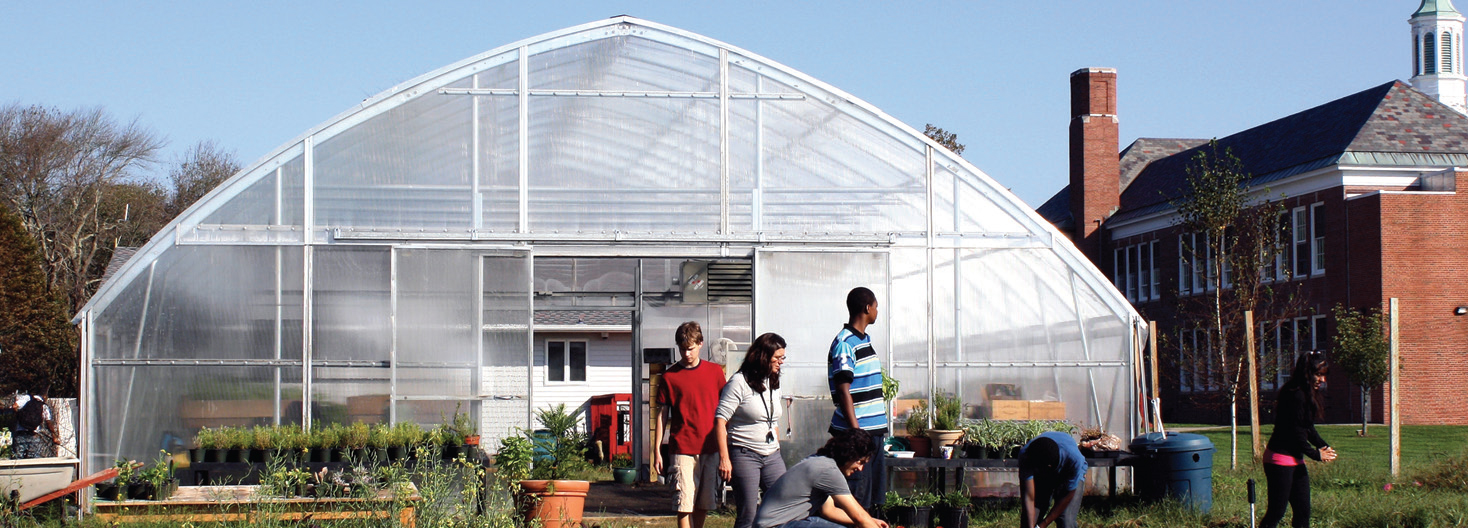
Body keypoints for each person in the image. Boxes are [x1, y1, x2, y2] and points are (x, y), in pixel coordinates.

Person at [654, 321, 728, 528]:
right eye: (682, 349)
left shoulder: (715, 373)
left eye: (690, 348)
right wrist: (657, 450)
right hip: (682, 448)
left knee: (704, 502)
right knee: (683, 503)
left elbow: (725, 412)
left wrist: (725, 451)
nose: (686, 354)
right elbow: (662, 415)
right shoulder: (669, 377)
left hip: (710, 447)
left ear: (700, 344)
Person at [717, 332, 789, 528]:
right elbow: (720, 421)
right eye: (777, 358)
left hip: (771, 454)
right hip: (744, 452)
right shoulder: (739, 382)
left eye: (783, 358)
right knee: (748, 513)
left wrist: (777, 447)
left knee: (781, 505)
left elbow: (773, 419)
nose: (781, 362)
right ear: (763, 357)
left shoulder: (773, 381)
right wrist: (725, 459)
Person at [1259, 351, 1337, 528]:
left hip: (1295, 460)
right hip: (1279, 460)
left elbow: (1307, 427)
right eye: (1319, 375)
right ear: (1307, 372)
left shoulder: (1306, 394)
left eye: (1324, 375)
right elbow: (1294, 432)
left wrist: (1324, 446)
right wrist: (1315, 454)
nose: (1322, 380)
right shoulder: (1294, 394)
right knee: (1276, 512)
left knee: (1303, 513)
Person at [827, 287, 887, 512]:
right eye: (876, 306)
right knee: (856, 498)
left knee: (872, 500)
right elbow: (843, 390)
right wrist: (857, 434)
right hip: (857, 434)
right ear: (867, 308)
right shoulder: (845, 343)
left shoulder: (864, 341)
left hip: (872, 433)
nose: (877, 311)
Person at [754, 429, 888, 528]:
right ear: (850, 454)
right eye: (861, 462)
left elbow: (828, 511)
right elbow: (859, 517)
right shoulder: (828, 471)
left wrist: (872, 520)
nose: (860, 469)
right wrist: (868, 522)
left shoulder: (820, 461)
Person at [1018, 431, 1088, 528]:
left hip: (1068, 472)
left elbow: (1067, 495)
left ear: (1048, 467)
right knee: (1030, 517)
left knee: (1065, 520)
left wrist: (1043, 525)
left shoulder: (1074, 460)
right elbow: (1029, 497)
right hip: (1045, 468)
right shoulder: (1027, 455)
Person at [13, 393, 56, 459]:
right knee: (33, 459)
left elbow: (14, 406)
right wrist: (54, 436)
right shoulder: (43, 406)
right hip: (34, 434)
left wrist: (19, 416)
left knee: (18, 458)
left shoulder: (26, 398)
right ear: (44, 397)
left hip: (20, 433)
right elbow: (48, 422)